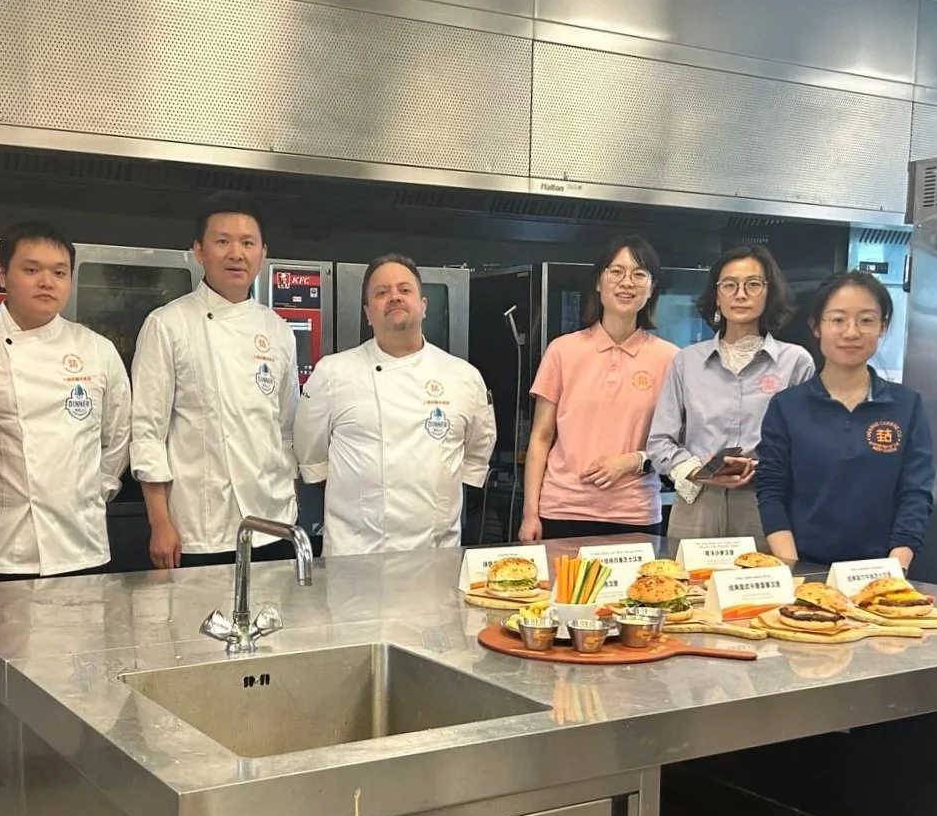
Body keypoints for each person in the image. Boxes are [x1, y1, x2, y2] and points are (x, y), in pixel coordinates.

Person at [131, 191, 298, 567]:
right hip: (198, 527)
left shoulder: (278, 331)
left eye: (247, 243)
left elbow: (285, 429)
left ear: (262, 253)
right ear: (199, 251)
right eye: (222, 241)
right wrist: (160, 523)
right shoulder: (167, 324)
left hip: (274, 522)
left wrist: (291, 498)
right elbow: (147, 432)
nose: (235, 253)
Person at [294, 254, 495, 556]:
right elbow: (312, 458)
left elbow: (474, 457)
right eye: (381, 292)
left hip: (435, 555)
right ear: (367, 313)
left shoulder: (464, 377)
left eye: (404, 289)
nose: (394, 297)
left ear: (423, 306)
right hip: (355, 556)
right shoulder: (332, 373)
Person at [0, 221, 131, 580]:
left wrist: (94, 492)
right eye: (31, 270)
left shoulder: (96, 349)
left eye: (59, 272)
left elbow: (119, 433)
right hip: (1, 543)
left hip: (81, 541)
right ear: (2, 274)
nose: (47, 281)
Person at [754, 270, 934, 567]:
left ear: (882, 327)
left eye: (866, 320)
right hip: (805, 566)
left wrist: (895, 567)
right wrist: (793, 566)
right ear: (816, 327)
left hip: (883, 570)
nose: (851, 332)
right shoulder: (787, 406)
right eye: (838, 320)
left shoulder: (907, 405)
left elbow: (915, 492)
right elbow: (772, 490)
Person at [647, 245, 814, 541]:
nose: (741, 294)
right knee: (689, 586)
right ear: (716, 295)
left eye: (753, 284)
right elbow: (660, 441)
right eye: (729, 285)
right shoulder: (687, 361)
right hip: (698, 502)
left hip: (765, 503)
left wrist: (759, 467)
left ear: (769, 292)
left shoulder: (796, 362)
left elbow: (806, 447)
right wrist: (697, 470)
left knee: (761, 585)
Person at [518, 235, 679, 541]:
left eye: (639, 274)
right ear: (598, 282)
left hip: (635, 513)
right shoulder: (562, 350)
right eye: (616, 271)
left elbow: (678, 444)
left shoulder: (669, 358)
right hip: (563, 509)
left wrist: (632, 460)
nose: (626, 282)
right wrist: (530, 513)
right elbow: (540, 437)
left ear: (652, 288)